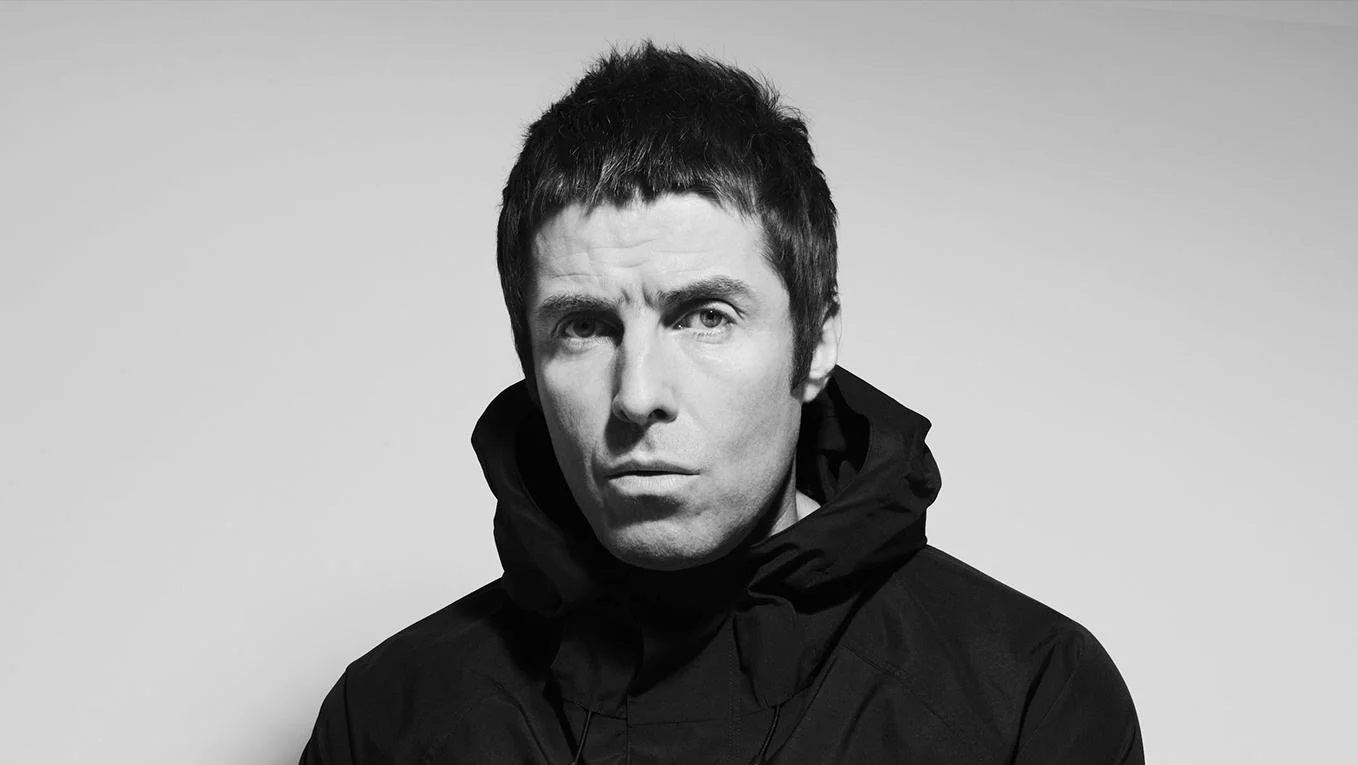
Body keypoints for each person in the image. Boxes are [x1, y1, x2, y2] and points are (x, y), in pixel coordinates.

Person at [299, 43, 1143, 764]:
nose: (638, 395)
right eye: (584, 326)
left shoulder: (1028, 697)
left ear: (816, 342)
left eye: (705, 316)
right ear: (529, 358)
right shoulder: (388, 718)